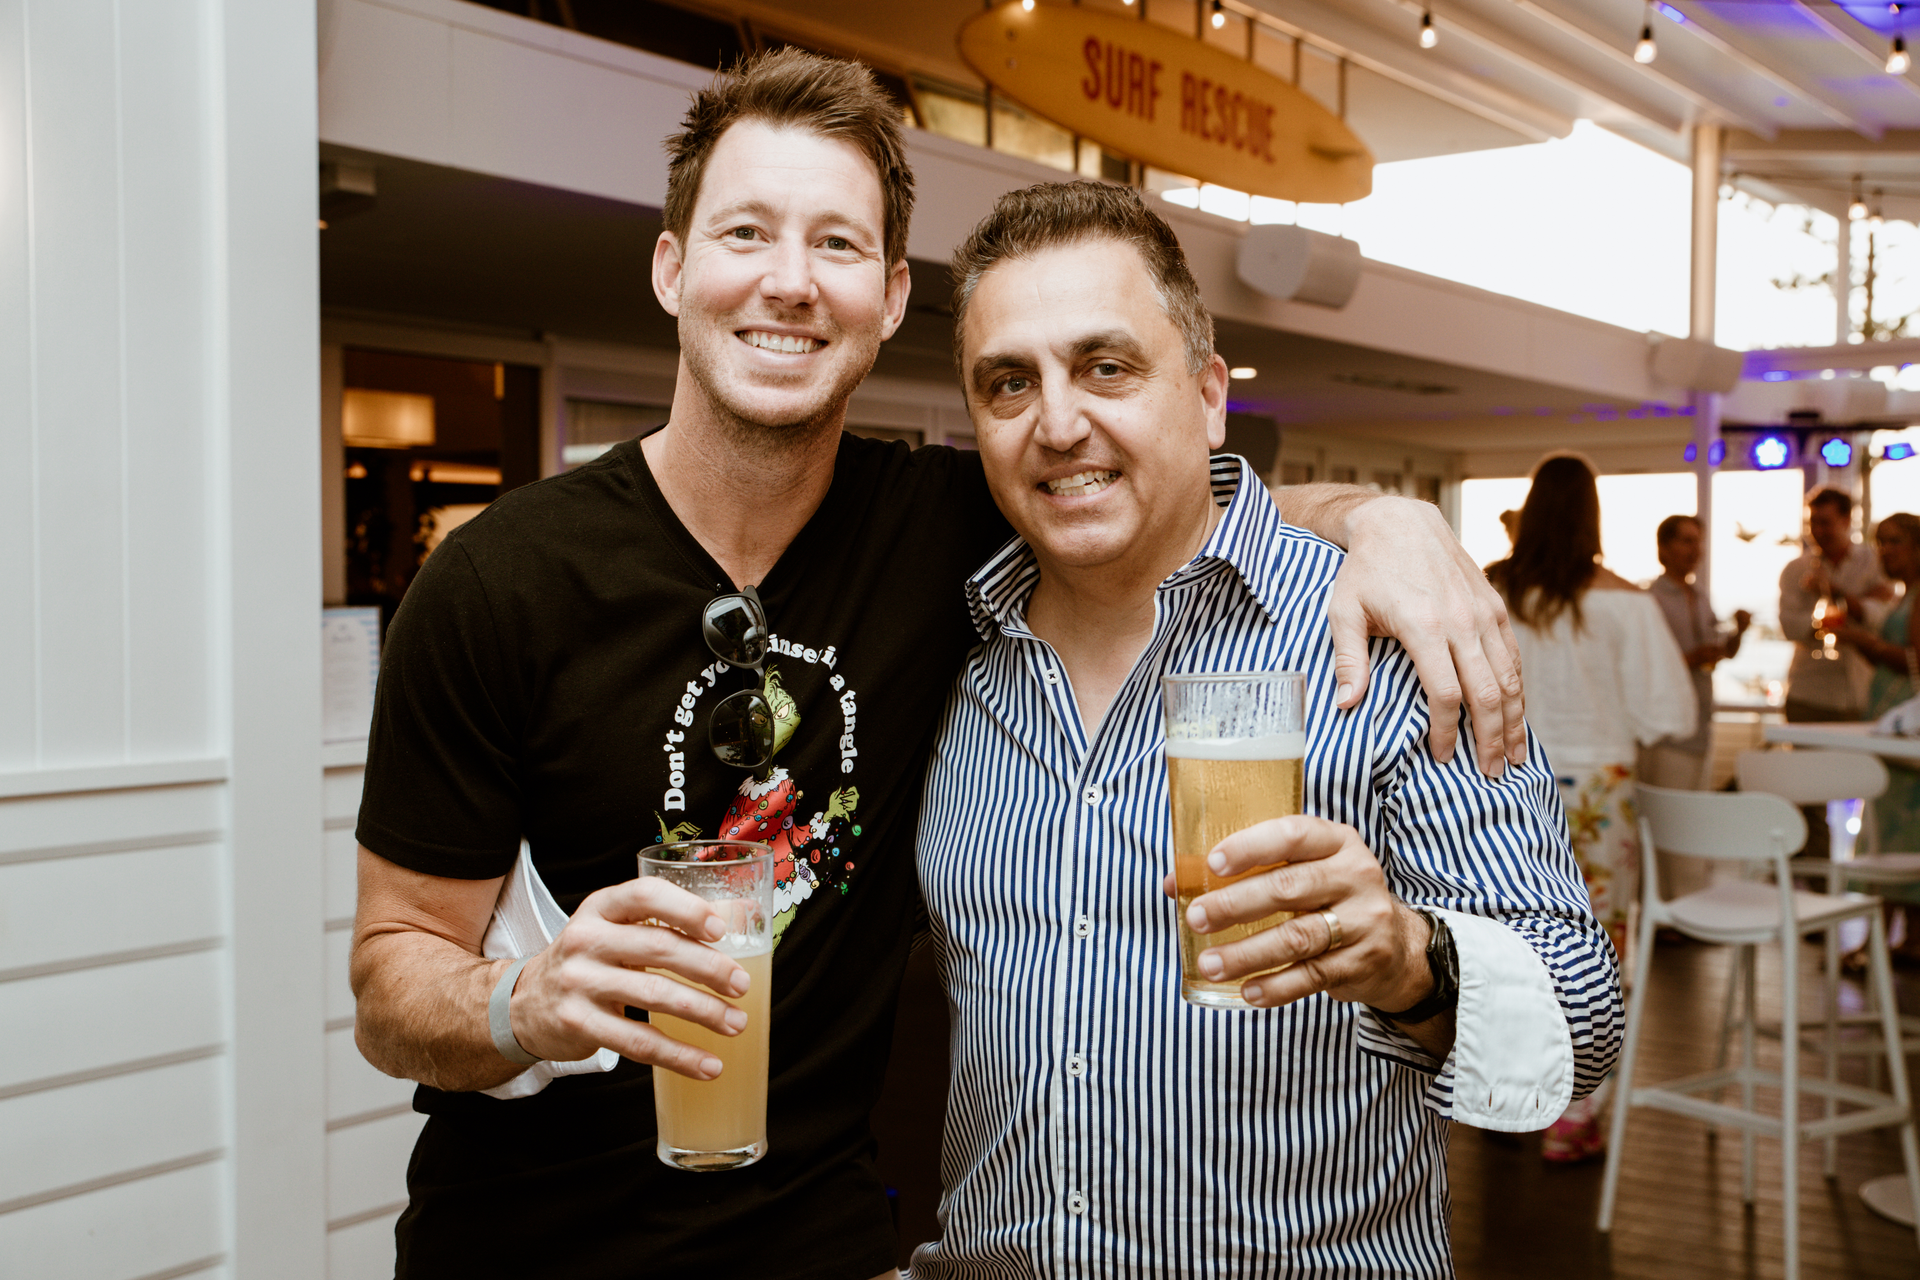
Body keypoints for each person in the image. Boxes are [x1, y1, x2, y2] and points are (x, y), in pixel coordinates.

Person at [347, 51, 1529, 1279]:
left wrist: (1392, 523)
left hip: (822, 1246)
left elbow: (1158, 487)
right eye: (746, 232)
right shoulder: (496, 581)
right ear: (671, 268)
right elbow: (390, 978)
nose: (791, 280)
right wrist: (523, 1002)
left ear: (891, 294)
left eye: (838, 244)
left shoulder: (953, 526)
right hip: (522, 1246)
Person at [910, 182, 1619, 1276]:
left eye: (1107, 367)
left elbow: (1584, 1019)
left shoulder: (1381, 630)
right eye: (1010, 382)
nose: (1056, 423)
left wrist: (1409, 958)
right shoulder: (948, 647)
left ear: (1207, 396)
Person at [1483, 453, 1691, 1160]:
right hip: (1601, 784)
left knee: (1505, 940)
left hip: (1505, 782)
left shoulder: (1492, 591)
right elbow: (1669, 713)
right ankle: (1574, 1113)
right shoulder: (1627, 602)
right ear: (1592, 516)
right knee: (1596, 947)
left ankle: (1503, 1094)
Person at [1780, 486, 1888, 858]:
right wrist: (1827, 622)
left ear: (1846, 520)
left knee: (1872, 789)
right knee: (1808, 796)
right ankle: (1817, 881)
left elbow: (1882, 615)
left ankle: (1865, 873)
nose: (1818, 531)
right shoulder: (1796, 570)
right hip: (1809, 694)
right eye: (1813, 523)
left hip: (1863, 694)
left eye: (1826, 522)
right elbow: (1789, 626)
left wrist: (1836, 593)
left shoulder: (1874, 562)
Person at [1831, 512, 1920, 955]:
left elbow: (1913, 661)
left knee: (1892, 831)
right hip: (1893, 717)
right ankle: (1906, 939)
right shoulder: (1905, 596)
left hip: (1906, 728)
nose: (1885, 551)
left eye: (1895, 542)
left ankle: (1877, 942)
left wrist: (1861, 640)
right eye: (1880, 542)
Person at [1643, 513, 1750, 793]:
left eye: (1698, 542)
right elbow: (1644, 666)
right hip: (1667, 733)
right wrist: (1693, 658)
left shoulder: (1700, 596)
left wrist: (1740, 631)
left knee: (1693, 810)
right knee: (1667, 814)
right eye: (1687, 541)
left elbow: (1724, 652)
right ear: (1664, 548)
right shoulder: (1650, 600)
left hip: (1702, 728)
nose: (1696, 550)